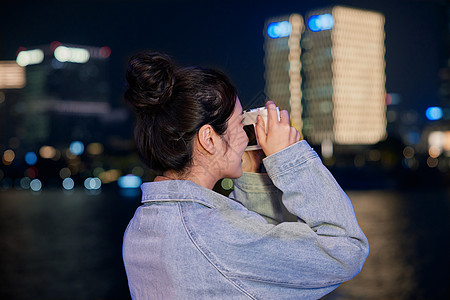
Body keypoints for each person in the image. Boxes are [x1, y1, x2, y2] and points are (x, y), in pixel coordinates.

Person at [122, 50, 369, 300]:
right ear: (209, 139)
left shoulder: (140, 226)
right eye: (240, 124)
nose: (245, 137)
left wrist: (250, 175)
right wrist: (291, 158)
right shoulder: (214, 236)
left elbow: (259, 258)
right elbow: (346, 248)